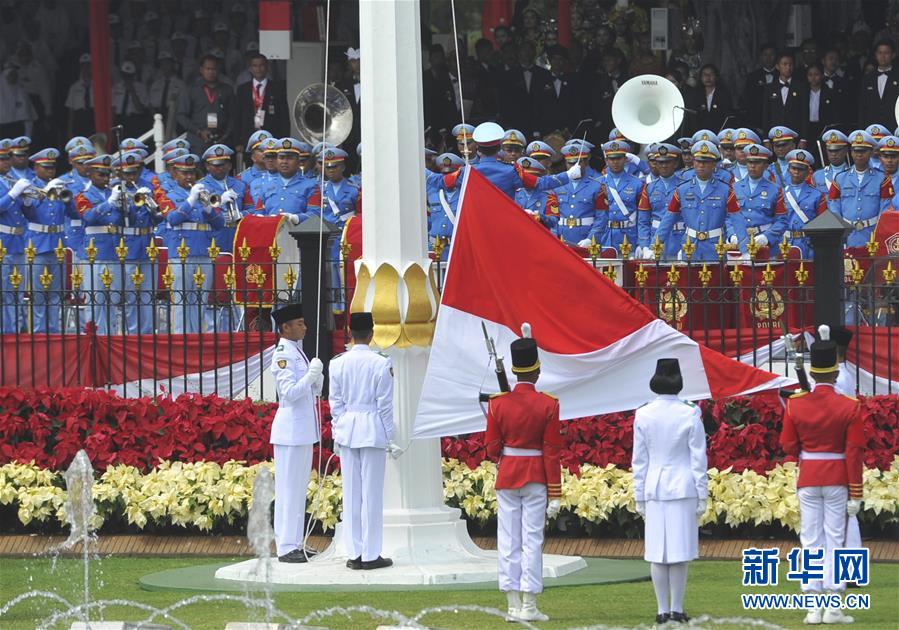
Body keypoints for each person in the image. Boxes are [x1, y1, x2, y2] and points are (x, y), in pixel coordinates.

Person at [779, 325, 864, 625]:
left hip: (809, 476)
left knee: (810, 540)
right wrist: (856, 492)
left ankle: (813, 607)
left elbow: (788, 445)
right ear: (836, 373)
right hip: (838, 476)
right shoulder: (849, 407)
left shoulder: (796, 404)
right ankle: (833, 607)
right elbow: (854, 452)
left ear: (813, 373)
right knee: (835, 541)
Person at [485, 333, 562, 622]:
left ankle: (512, 604)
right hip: (536, 476)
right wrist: (555, 493)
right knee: (532, 540)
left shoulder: (498, 404)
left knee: (507, 539)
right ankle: (529, 605)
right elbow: (552, 451)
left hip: (508, 475)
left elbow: (492, 448)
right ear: (537, 370)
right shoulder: (549, 405)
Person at [632, 358, 707, 625]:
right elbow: (698, 459)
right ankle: (676, 608)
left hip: (654, 487)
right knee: (679, 552)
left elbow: (639, 460)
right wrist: (703, 494)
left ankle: (663, 609)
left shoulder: (644, 413)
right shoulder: (690, 412)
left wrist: (638, 494)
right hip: (683, 487)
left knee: (657, 552)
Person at [328, 311, 399, 570]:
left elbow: (335, 403)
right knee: (371, 494)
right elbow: (385, 405)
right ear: (371, 334)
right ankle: (370, 554)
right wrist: (390, 435)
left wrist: (338, 430)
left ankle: (354, 553)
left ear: (349, 333)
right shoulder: (381, 362)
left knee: (352, 493)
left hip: (348, 428)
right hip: (371, 428)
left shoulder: (337, 362)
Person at [269, 302, 323, 563]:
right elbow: (289, 393)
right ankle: (286, 546)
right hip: (290, 432)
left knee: (298, 488)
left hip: (302, 430)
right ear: (285, 327)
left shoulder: (296, 350)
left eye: (303, 322)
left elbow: (306, 392)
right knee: (289, 489)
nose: (304, 327)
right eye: (299, 323)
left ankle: (295, 543)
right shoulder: (283, 353)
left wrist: (315, 383)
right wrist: (310, 377)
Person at [156, 153, 223, 333]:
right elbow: (173, 218)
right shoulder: (167, 195)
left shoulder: (205, 193)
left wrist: (208, 206)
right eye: (184, 173)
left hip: (203, 251)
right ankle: (180, 339)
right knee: (180, 302)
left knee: (200, 302)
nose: (188, 177)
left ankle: (197, 340)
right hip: (180, 253)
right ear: (174, 174)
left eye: (191, 173)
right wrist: (190, 200)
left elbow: (219, 223)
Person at [655, 141, 746, 262]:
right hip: (690, 246)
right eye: (698, 161)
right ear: (693, 162)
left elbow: (737, 219)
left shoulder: (725, 190)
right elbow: (668, 218)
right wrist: (653, 246)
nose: (701, 165)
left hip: (715, 247)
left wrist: (745, 249)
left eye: (706, 162)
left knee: (716, 280)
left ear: (714, 165)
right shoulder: (682, 189)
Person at [75, 154, 122, 335]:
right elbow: (88, 217)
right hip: (95, 251)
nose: (105, 178)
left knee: (113, 299)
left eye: (107, 175)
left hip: (114, 249)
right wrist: (109, 203)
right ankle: (94, 336)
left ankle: (111, 336)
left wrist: (123, 204)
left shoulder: (115, 192)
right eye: (100, 175)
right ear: (91, 175)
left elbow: (124, 220)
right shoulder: (83, 196)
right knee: (95, 300)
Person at [829, 130, 894, 247]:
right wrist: (841, 233)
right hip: (848, 235)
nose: (859, 154)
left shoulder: (882, 178)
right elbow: (834, 208)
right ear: (851, 153)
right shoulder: (840, 178)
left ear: (870, 152)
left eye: (863, 151)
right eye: (856, 151)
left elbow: (885, 210)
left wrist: (879, 233)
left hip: (872, 233)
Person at [731, 143, 787, 258]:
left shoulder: (775, 189)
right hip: (740, 243)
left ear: (766, 165)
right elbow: (728, 217)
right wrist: (732, 234)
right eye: (750, 162)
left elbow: (782, 220)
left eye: (757, 162)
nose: (752, 166)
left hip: (765, 244)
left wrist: (767, 236)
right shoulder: (735, 188)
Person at [177, 54, 235, 154]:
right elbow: (181, 116)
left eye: (214, 69)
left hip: (222, 142)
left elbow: (233, 115)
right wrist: (198, 131)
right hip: (198, 142)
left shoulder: (227, 89)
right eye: (208, 69)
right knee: (199, 169)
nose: (211, 72)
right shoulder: (191, 90)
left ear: (219, 70)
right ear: (201, 70)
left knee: (221, 169)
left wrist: (226, 135)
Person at [234, 53, 289, 153]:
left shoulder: (277, 88)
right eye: (255, 66)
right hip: (249, 136)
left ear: (267, 67)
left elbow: (284, 117)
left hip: (272, 137)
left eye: (261, 65)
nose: (258, 69)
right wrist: (237, 141)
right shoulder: (243, 89)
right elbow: (237, 116)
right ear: (250, 68)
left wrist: (284, 141)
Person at [637, 143, 683, 259]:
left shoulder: (684, 186)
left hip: (680, 238)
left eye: (667, 162)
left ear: (675, 163)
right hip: (655, 239)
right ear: (656, 164)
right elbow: (643, 221)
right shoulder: (649, 188)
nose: (664, 166)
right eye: (661, 162)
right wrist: (645, 246)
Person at [781, 149, 827, 258]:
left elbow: (822, 224)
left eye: (801, 169)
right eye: (794, 168)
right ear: (788, 170)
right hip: (784, 243)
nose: (796, 172)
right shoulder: (779, 194)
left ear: (807, 172)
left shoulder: (818, 195)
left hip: (807, 244)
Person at [427, 152, 464, 259]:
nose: (446, 178)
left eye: (451, 174)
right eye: (444, 175)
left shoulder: (464, 192)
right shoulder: (432, 192)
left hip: (457, 247)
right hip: (435, 247)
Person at [859, 39, 899, 129]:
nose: (883, 56)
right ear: (875, 55)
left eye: (886, 53)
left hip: (894, 128)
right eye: (880, 53)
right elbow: (862, 106)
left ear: (893, 55)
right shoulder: (867, 78)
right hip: (871, 129)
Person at [762, 50, 805, 133]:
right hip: (775, 133)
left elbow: (804, 114)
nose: (788, 67)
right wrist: (766, 138)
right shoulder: (769, 88)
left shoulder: (801, 87)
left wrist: (803, 138)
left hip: (795, 133)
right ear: (777, 66)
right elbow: (766, 114)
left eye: (791, 64)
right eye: (784, 64)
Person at [813, 130, 849, 200]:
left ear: (845, 151)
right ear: (826, 151)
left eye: (837, 150)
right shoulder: (817, 175)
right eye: (830, 151)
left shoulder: (853, 174)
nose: (833, 154)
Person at [64, 54, 94, 139]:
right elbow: (71, 110)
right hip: (80, 119)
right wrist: (70, 131)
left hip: (93, 117)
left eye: (88, 65)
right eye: (83, 66)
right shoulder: (74, 87)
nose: (86, 68)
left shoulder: (98, 86)